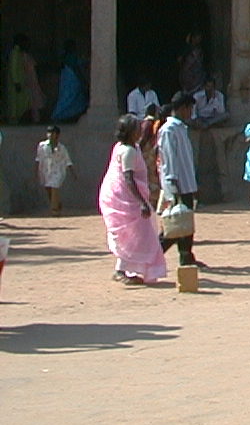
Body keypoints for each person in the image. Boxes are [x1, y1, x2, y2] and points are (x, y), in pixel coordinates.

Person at [98, 114, 166, 286]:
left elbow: (140, 147)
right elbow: (128, 178)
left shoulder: (129, 147)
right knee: (135, 233)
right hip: (122, 198)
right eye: (137, 129)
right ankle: (121, 270)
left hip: (121, 195)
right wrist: (142, 202)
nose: (139, 131)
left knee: (136, 233)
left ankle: (125, 268)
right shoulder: (127, 150)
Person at [158, 92, 202, 268]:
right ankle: (154, 253)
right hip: (177, 185)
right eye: (190, 109)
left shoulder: (181, 129)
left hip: (186, 183)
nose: (191, 113)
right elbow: (169, 159)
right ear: (183, 109)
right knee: (175, 224)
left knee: (186, 223)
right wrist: (172, 183)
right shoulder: (168, 130)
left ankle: (186, 256)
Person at [35, 125, 75, 215]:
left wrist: (73, 173)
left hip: (58, 171)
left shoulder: (62, 148)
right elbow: (38, 159)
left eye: (52, 133)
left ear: (57, 135)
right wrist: (36, 171)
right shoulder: (42, 146)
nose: (50, 135)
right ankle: (57, 203)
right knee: (49, 189)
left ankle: (54, 210)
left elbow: (68, 161)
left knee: (54, 186)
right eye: (49, 133)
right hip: (46, 170)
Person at [7, 33, 44, 123]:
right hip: (17, 83)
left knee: (23, 103)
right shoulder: (15, 53)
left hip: (22, 82)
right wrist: (16, 82)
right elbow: (14, 68)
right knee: (16, 104)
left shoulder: (20, 53)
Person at [50, 39, 87, 122]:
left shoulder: (64, 56)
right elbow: (75, 68)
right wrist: (82, 80)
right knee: (69, 98)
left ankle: (66, 115)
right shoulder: (71, 56)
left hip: (66, 80)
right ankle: (58, 115)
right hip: (72, 79)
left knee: (69, 98)